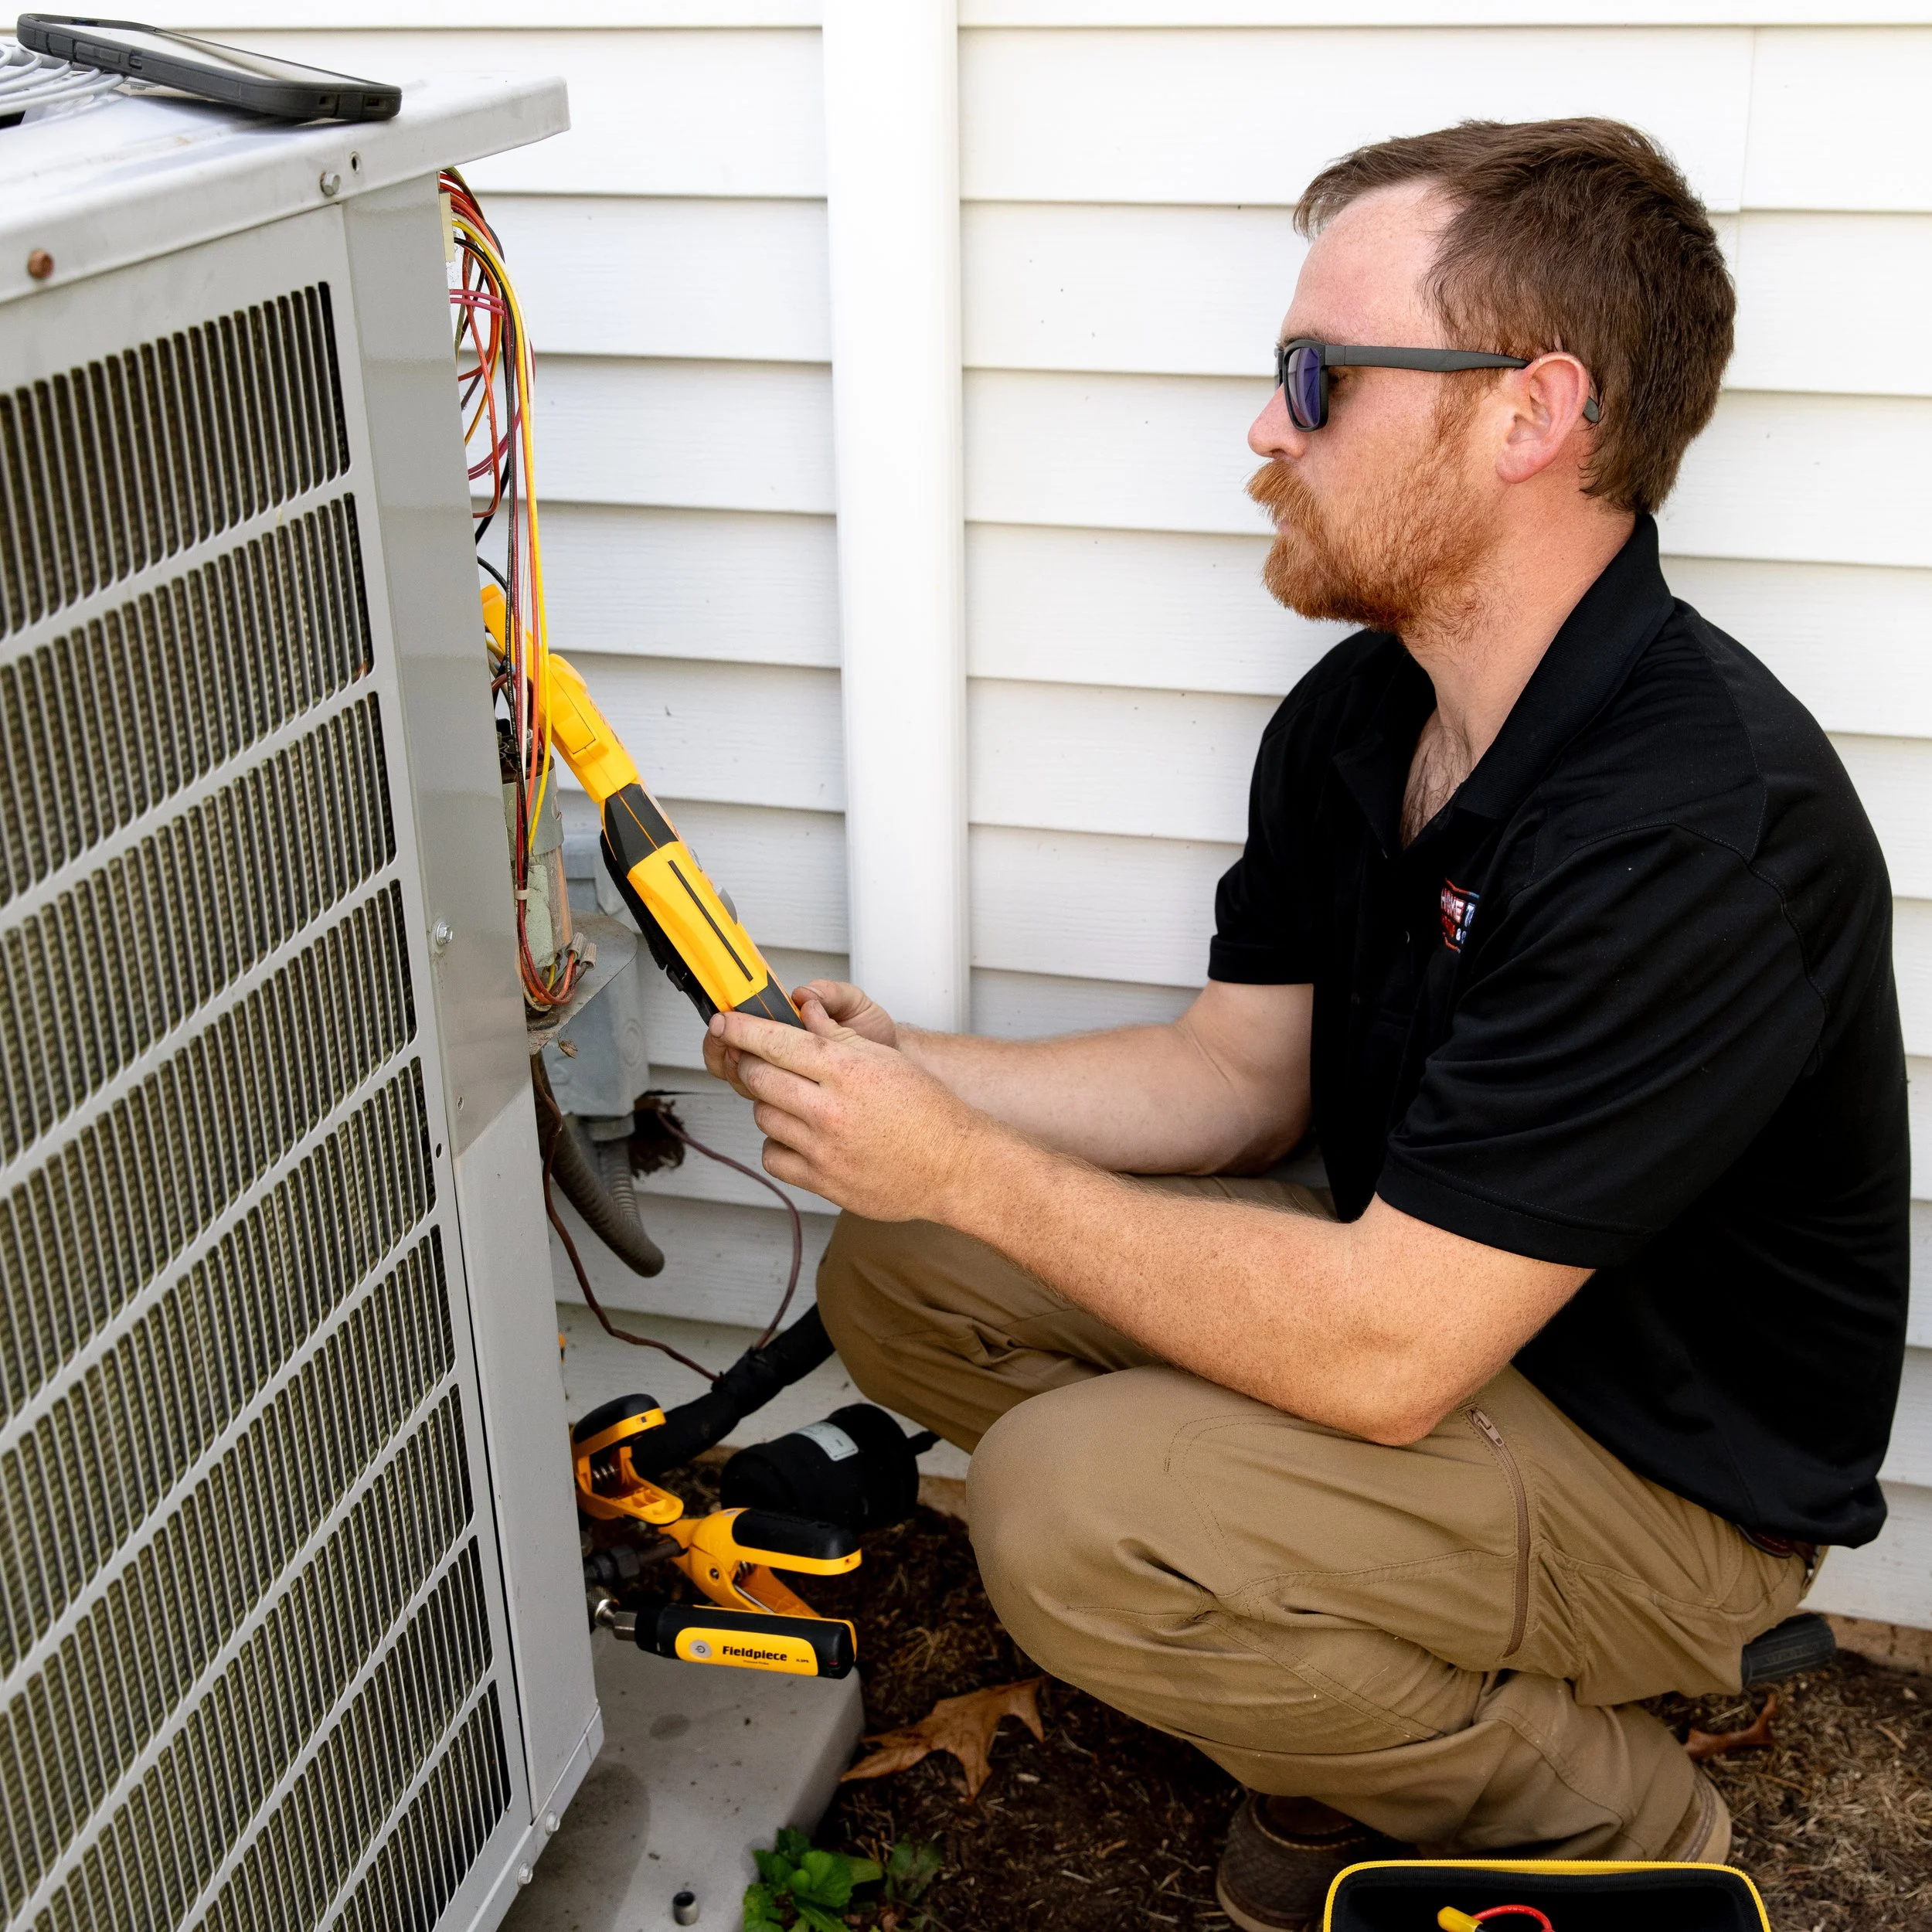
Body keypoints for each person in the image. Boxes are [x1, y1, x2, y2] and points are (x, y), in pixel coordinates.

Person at [704, 117, 1910, 1928]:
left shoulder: (1692, 825)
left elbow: (1383, 1353)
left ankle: (1593, 1806)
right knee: (903, 1265)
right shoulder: (1364, 707)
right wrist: (902, 1086)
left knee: (1063, 1504)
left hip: (1667, 1479)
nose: (1264, 430)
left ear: (1526, 412)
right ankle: (1341, 1653)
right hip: (1447, 1319)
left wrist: (972, 1158)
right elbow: (1233, 1079)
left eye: (1312, 376)